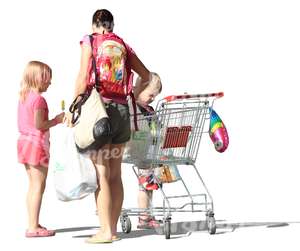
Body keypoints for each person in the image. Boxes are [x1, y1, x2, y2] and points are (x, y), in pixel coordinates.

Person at [65, 9, 152, 243]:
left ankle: (105, 231)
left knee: (101, 173)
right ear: (112, 24)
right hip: (122, 112)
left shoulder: (90, 41)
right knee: (115, 174)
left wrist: (73, 109)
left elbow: (83, 76)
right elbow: (146, 75)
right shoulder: (123, 45)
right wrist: (134, 94)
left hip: (99, 113)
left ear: (95, 23)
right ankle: (111, 229)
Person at [17, 61, 65, 237]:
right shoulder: (39, 100)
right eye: (47, 78)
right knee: (38, 186)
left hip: (23, 143)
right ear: (38, 78)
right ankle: (33, 228)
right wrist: (58, 120)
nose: (50, 82)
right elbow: (40, 124)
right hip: (37, 145)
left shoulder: (24, 97)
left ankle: (33, 222)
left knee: (32, 186)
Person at [133, 73, 163, 229]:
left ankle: (148, 215)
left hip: (151, 152)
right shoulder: (134, 108)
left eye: (155, 96)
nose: (152, 99)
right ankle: (144, 217)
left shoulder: (149, 109)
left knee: (150, 185)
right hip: (142, 152)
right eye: (151, 95)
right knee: (145, 185)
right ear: (141, 88)